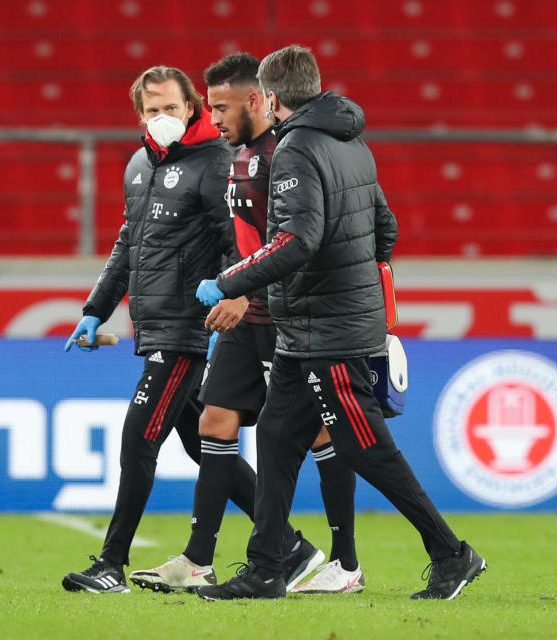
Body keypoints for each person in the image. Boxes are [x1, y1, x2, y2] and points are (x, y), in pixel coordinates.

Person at [195, 45, 486, 601]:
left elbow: (295, 241)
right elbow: (386, 229)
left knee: (365, 446)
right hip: (315, 326)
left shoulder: (296, 148)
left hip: (326, 328)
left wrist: (230, 282)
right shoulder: (352, 143)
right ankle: (266, 568)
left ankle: (452, 554)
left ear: (272, 97)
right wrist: (356, 282)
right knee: (278, 439)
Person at [130, 53, 362, 595]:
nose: (212, 119)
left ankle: (343, 563)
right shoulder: (238, 155)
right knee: (214, 422)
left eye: (221, 107)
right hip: (246, 312)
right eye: (209, 108)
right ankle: (198, 559)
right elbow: (246, 239)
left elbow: (296, 242)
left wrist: (242, 287)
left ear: (257, 100)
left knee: (327, 430)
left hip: (282, 313)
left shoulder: (288, 153)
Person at [60, 66, 258, 594]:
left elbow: (234, 240)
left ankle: (111, 565)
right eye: (152, 111)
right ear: (139, 115)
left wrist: (236, 295)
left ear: (192, 107)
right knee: (201, 446)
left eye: (171, 108)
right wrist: (95, 309)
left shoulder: (216, 162)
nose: (162, 118)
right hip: (156, 324)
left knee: (137, 438)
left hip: (188, 328)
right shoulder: (139, 164)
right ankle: (287, 543)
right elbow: (129, 244)